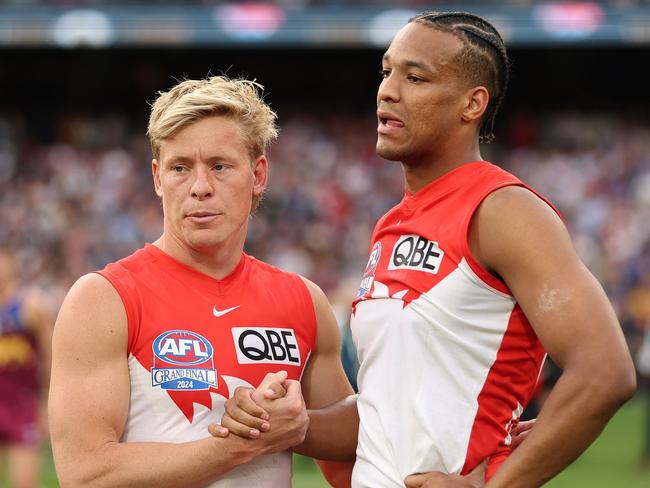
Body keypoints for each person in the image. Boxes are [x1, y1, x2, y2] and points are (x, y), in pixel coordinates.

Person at [216, 11, 637, 488]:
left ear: (472, 103)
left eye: (415, 77)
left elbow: (605, 371)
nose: (387, 90)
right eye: (386, 71)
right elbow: (385, 416)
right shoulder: (390, 225)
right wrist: (291, 425)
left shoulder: (502, 210)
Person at [48, 76, 356, 487]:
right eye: (180, 168)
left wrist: (296, 425)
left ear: (258, 174)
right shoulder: (105, 299)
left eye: (219, 166)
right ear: (158, 179)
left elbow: (349, 461)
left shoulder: (302, 300)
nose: (199, 188)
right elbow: (85, 475)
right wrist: (236, 446)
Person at [0, 247, 52, 488]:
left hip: (22, 405)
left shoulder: (29, 306)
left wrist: (46, 403)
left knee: (24, 483)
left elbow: (51, 355)